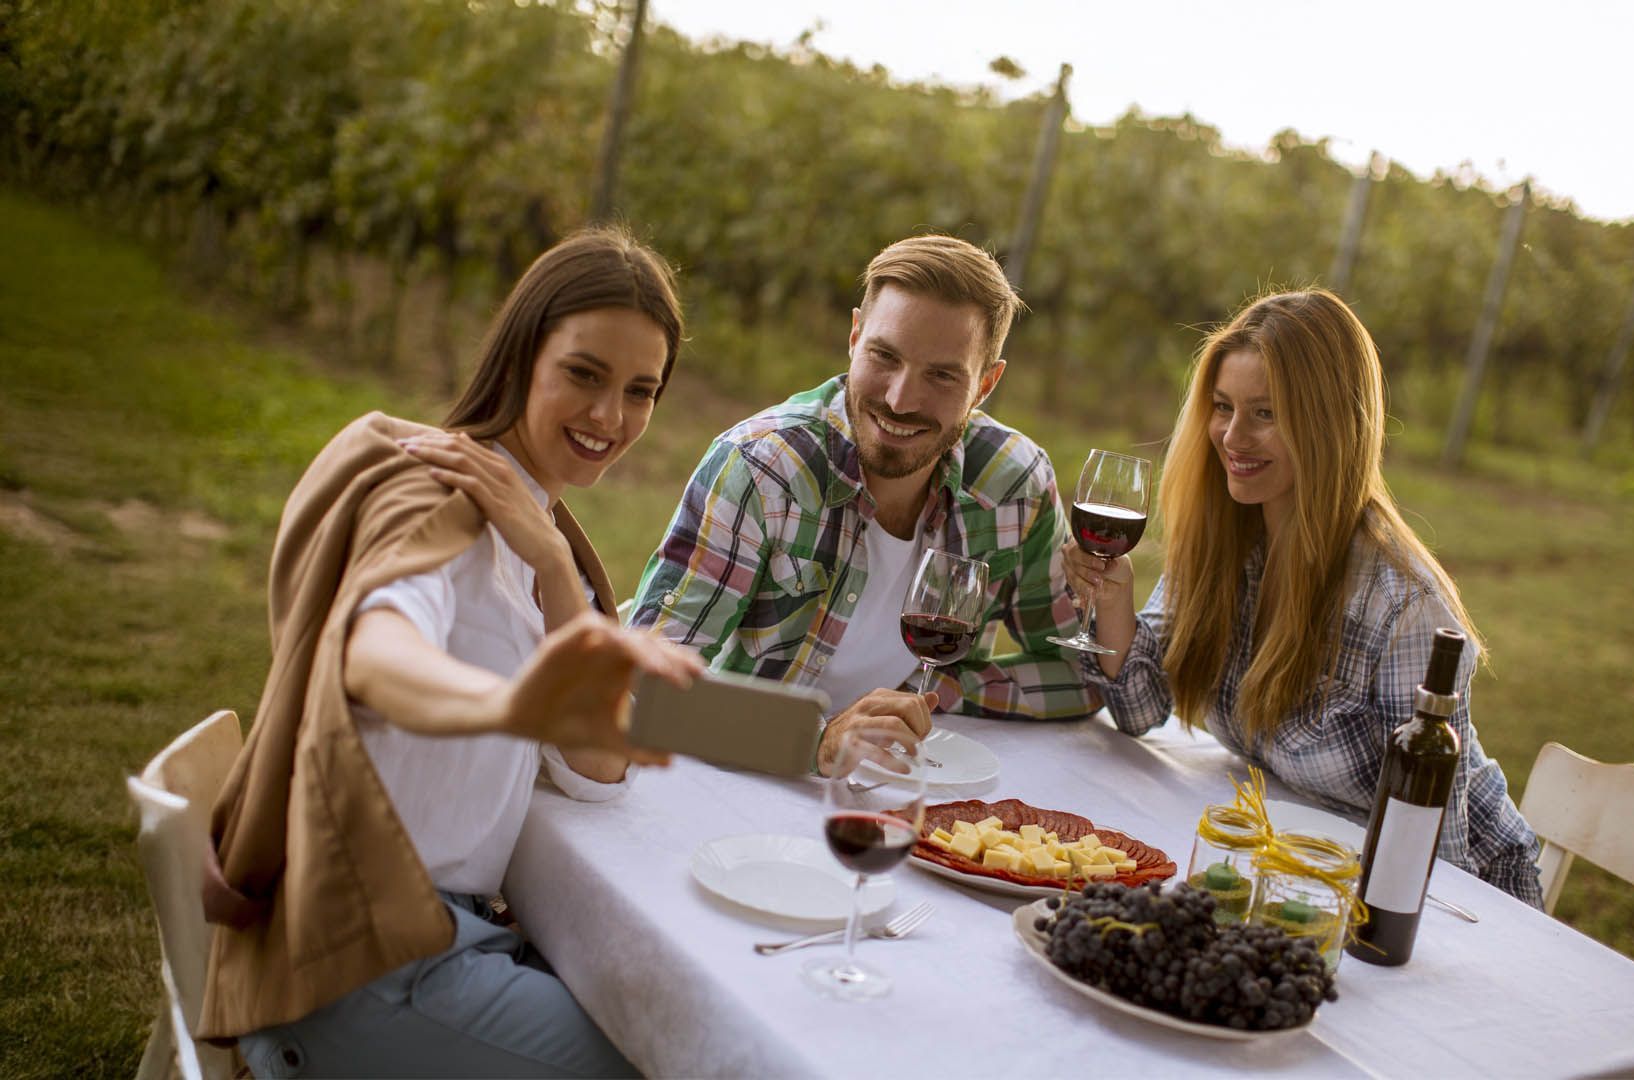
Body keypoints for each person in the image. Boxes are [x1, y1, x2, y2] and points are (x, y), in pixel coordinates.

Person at [198, 227, 705, 1076]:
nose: (610, 418)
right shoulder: (434, 497)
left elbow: (595, 770)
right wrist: (504, 706)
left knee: (675, 1018)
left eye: (640, 391)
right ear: (521, 355)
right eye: (584, 374)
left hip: (457, 937)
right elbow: (372, 652)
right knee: (674, 1061)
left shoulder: (541, 532)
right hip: (365, 962)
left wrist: (550, 570)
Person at [1063, 290, 1545, 905]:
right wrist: (1113, 598)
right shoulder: (1222, 538)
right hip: (1299, 866)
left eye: (1265, 413)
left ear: (1328, 422)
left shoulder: (1403, 608)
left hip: (1465, 897)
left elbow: (1431, 860)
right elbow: (1139, 709)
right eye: (1222, 407)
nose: (1232, 437)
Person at [629, 234, 1097, 774]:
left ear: (986, 384)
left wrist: (927, 694)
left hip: (894, 784)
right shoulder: (763, 469)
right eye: (884, 356)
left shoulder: (1014, 483)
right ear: (854, 337)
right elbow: (644, 688)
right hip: (732, 779)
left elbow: (1074, 671)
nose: (901, 399)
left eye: (942, 375)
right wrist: (819, 740)